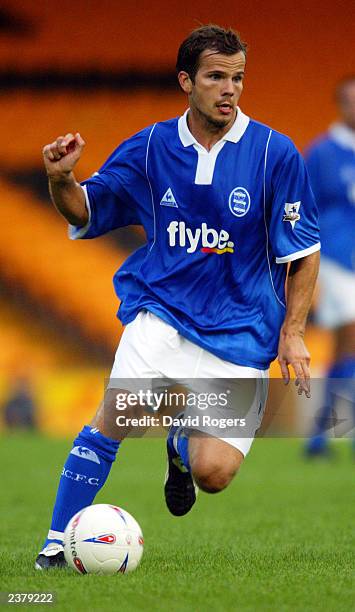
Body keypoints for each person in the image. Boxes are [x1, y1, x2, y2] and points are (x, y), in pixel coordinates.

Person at [35, 24, 320, 570]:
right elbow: (87, 211)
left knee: (214, 474)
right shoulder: (149, 148)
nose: (230, 88)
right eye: (216, 76)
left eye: (237, 77)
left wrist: (294, 332)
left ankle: (180, 439)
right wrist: (59, 181)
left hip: (241, 331)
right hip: (161, 312)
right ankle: (53, 544)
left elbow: (303, 251)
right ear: (186, 81)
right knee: (111, 419)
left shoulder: (273, 154)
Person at [304, 76, 355, 457]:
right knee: (351, 334)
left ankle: (320, 435)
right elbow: (306, 206)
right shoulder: (322, 153)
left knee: (342, 349)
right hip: (338, 258)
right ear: (341, 104)